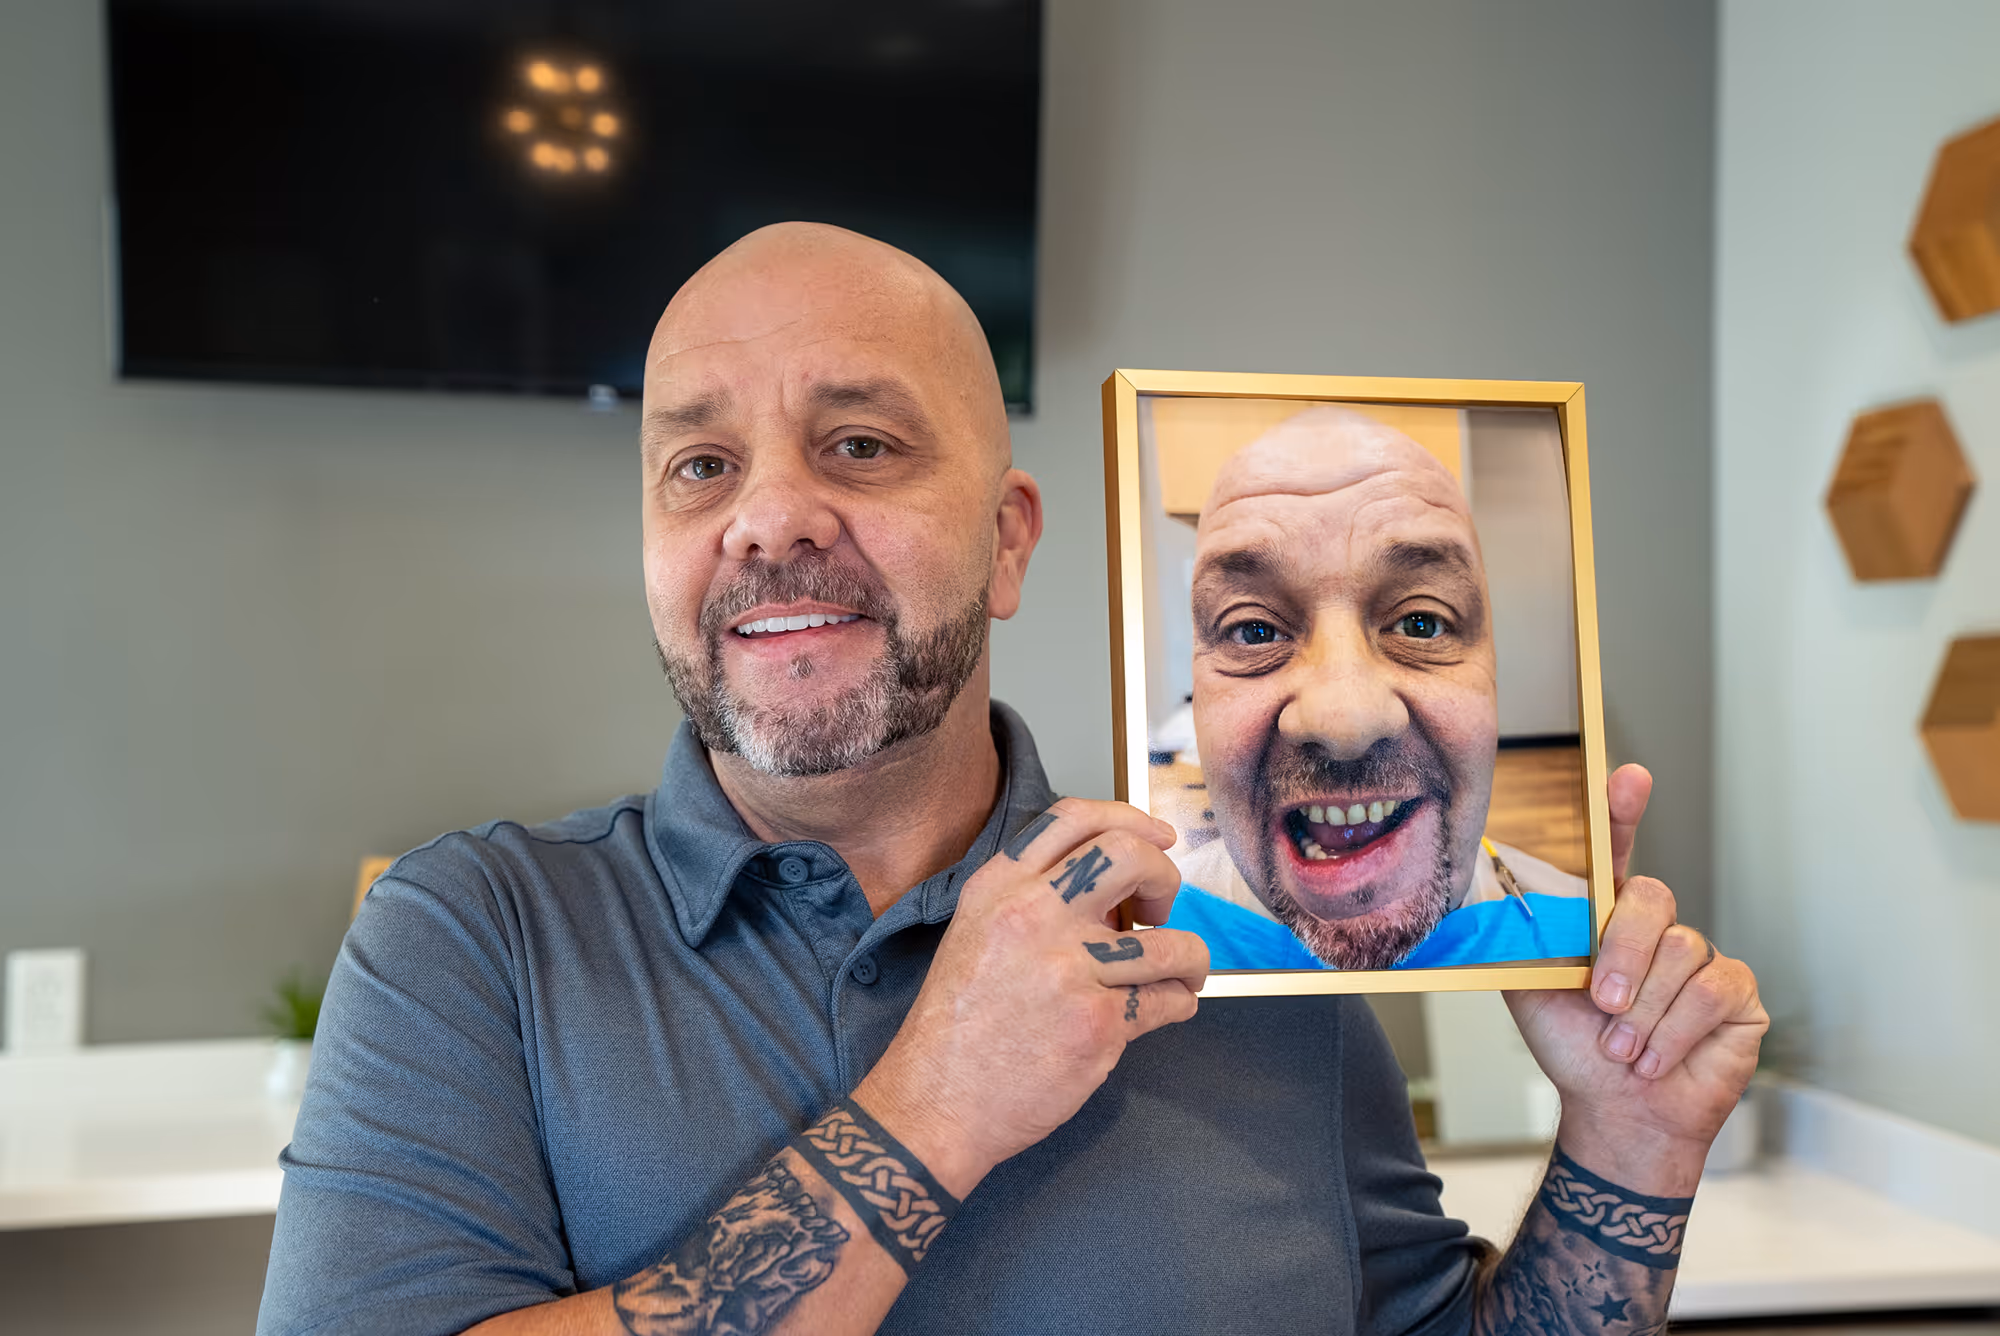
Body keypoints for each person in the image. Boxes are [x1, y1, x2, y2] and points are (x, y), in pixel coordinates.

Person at [258, 223, 1767, 1336]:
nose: (769, 519)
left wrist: (1629, 1158)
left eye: (857, 444)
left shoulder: (1237, 944)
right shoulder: (473, 941)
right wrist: (934, 1109)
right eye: (699, 467)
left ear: (1012, 540)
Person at [1165, 407, 1591, 972]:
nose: (1344, 721)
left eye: (1421, 623)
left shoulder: (1577, 933)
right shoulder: (1139, 942)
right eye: (1255, 630)